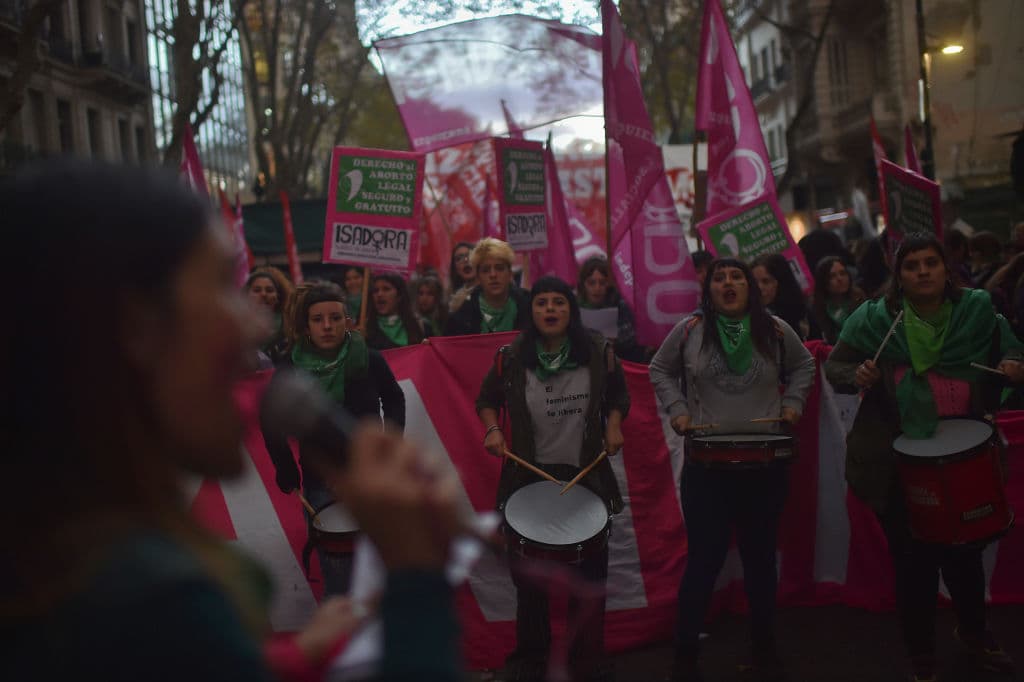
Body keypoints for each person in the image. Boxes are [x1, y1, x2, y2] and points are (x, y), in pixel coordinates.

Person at [0, 160, 379, 681]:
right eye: (226, 284)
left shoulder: (58, 568)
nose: (258, 321)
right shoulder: (147, 599)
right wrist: (419, 582)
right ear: (132, 327)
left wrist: (296, 656)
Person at [824, 233, 1022, 682]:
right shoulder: (875, 320)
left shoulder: (975, 311)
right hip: (897, 466)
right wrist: (857, 373)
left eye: (931, 262)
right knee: (913, 566)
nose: (923, 272)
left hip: (966, 457)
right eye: (912, 266)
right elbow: (835, 367)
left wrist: (1013, 364)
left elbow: (1010, 349)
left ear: (945, 268)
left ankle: (974, 636)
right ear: (900, 275)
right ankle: (922, 657)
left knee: (965, 561)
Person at [648, 258, 815, 682]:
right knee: (704, 561)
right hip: (708, 470)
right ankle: (684, 658)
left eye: (736, 277)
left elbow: (805, 366)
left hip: (764, 467)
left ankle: (764, 650)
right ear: (709, 287)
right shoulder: (689, 330)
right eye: (719, 278)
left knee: (761, 561)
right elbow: (659, 369)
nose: (727, 283)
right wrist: (678, 409)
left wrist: (793, 404)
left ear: (749, 287)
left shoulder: (775, 329)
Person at [476, 277, 629, 682]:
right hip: (526, 480)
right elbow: (486, 401)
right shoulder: (510, 358)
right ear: (532, 311)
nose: (549, 309)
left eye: (558, 302)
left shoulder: (598, 352)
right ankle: (531, 659)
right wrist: (493, 430)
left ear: (570, 310)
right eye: (541, 302)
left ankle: (588, 658)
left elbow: (619, 396)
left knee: (590, 578)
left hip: (587, 478)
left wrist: (614, 425)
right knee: (530, 584)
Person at [260, 281, 406, 595]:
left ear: (347, 321)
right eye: (318, 319)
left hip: (373, 478)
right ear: (306, 326)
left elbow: (394, 399)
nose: (328, 326)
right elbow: (270, 420)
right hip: (320, 485)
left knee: (381, 574)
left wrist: (390, 444)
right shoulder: (291, 368)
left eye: (335, 318)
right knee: (339, 579)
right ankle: (342, 642)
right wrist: (286, 468)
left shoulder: (369, 359)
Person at [445, 237, 531, 336]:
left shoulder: (529, 306)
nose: (493, 275)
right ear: (478, 277)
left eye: (499, 268)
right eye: (486, 270)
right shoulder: (461, 317)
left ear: (510, 274)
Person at [576, 255, 645, 362]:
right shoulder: (575, 306)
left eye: (602, 283)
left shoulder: (619, 302)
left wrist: (615, 338)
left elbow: (633, 334)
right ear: (583, 284)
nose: (597, 288)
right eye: (592, 283)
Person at [364, 272, 432, 350]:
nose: (379, 294)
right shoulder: (365, 327)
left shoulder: (420, 326)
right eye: (376, 290)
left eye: (386, 289)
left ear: (399, 296)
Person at [751, 253, 811, 339]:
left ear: (781, 281)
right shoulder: (751, 320)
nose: (759, 288)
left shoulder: (803, 316)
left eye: (766, 281)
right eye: (754, 282)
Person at [809, 256, 866, 344]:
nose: (840, 279)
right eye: (832, 276)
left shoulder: (858, 296)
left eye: (843, 273)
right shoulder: (819, 307)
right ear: (823, 281)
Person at [246, 267, 294, 365]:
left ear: (278, 296)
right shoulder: (235, 328)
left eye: (269, 290)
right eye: (257, 290)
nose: (263, 294)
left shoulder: (291, 327)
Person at [448, 241, 478, 314]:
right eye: (458, 259)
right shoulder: (455, 300)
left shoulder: (489, 291)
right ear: (455, 269)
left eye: (469, 255)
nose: (465, 260)